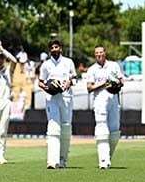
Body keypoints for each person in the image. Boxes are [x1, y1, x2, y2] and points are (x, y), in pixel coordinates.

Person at [38, 39, 77, 169]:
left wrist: (68, 83)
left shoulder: (68, 62)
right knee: (53, 128)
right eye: (52, 48)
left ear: (61, 48)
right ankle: (52, 161)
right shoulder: (46, 65)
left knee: (66, 128)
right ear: (50, 50)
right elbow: (40, 82)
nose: (54, 49)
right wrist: (47, 88)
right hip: (51, 98)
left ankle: (63, 159)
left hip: (66, 97)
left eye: (56, 47)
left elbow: (75, 78)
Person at [86, 45, 124, 169]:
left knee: (114, 131)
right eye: (96, 53)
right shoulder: (92, 69)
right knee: (101, 127)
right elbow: (89, 88)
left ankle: (107, 157)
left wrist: (116, 83)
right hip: (99, 101)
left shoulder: (114, 65)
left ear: (105, 53)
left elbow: (121, 81)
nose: (99, 55)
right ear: (94, 55)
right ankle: (103, 161)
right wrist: (104, 83)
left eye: (101, 52)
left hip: (114, 99)